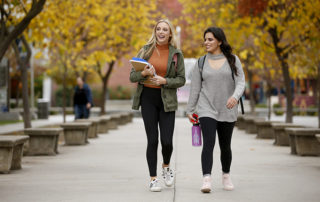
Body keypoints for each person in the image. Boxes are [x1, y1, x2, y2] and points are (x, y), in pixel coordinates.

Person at [186, 27, 245, 193]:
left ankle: (226, 176)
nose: (206, 42)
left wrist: (235, 96)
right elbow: (195, 88)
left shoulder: (233, 59)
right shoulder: (201, 62)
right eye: (205, 39)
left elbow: (241, 82)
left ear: (219, 41)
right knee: (209, 142)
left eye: (210, 39)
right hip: (206, 108)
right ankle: (206, 179)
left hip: (227, 108)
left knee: (225, 145)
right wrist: (190, 109)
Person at [130, 19, 185, 192]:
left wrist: (165, 80)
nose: (161, 32)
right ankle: (153, 178)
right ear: (155, 31)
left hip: (167, 100)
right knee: (152, 140)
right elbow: (132, 76)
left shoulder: (176, 54)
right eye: (158, 29)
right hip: (148, 98)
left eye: (165, 30)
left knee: (167, 141)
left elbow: (182, 79)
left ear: (170, 34)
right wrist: (143, 73)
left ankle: (166, 166)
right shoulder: (145, 51)